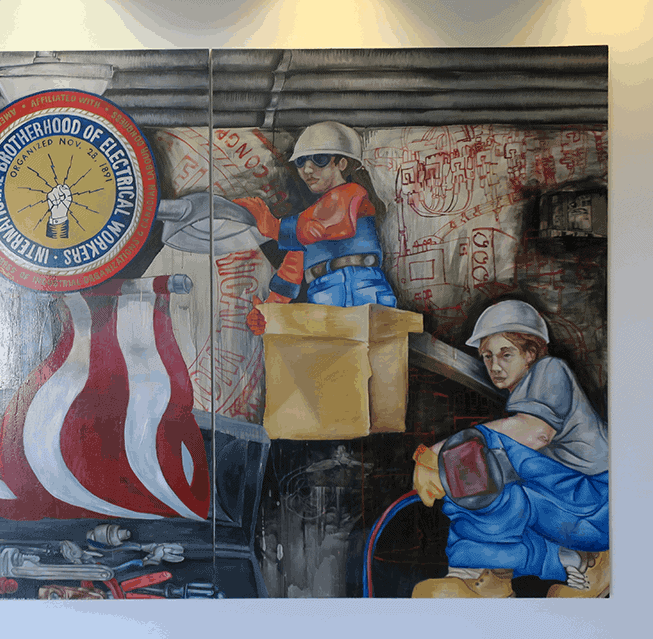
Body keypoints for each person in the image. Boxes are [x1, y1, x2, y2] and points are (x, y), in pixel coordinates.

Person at [411, 300, 609, 598]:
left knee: (478, 453)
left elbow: (535, 434)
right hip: (574, 514)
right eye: (488, 356)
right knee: (506, 497)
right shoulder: (526, 391)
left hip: (598, 502)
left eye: (506, 354)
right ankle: (567, 564)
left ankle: (474, 572)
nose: (494, 366)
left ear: (531, 354)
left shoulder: (550, 370)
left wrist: (439, 452)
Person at [237, 121, 396, 333]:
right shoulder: (309, 219)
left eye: (319, 160)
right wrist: (267, 311)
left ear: (342, 163)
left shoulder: (353, 194)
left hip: (361, 292)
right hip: (322, 296)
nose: (308, 169)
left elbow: (329, 225)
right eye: (301, 162)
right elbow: (291, 272)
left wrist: (274, 227)